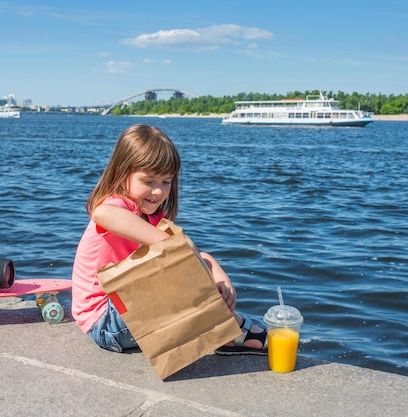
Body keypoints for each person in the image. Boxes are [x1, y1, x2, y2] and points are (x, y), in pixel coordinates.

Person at [71, 124, 267, 355]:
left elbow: (191, 250)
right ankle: (231, 328)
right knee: (178, 263)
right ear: (122, 172)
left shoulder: (152, 216)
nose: (158, 191)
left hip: (123, 313)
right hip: (105, 321)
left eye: (166, 182)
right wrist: (179, 248)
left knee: (182, 258)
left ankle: (224, 327)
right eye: (148, 181)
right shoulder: (115, 207)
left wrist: (214, 269)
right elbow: (102, 214)